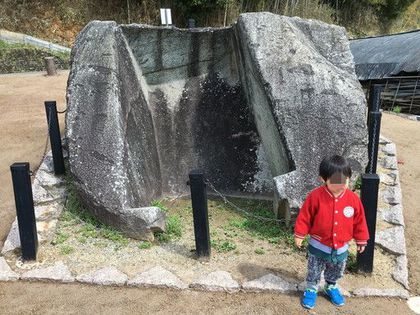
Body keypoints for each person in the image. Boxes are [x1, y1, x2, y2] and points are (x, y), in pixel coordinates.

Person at [294, 155, 369, 309]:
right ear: (323, 179)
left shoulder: (353, 199)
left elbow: (359, 220)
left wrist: (361, 239)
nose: (342, 184)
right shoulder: (315, 197)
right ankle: (311, 288)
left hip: (341, 246)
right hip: (318, 244)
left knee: (337, 268)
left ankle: (331, 286)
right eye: (336, 180)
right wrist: (300, 234)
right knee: (314, 268)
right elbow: (305, 217)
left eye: (345, 179)